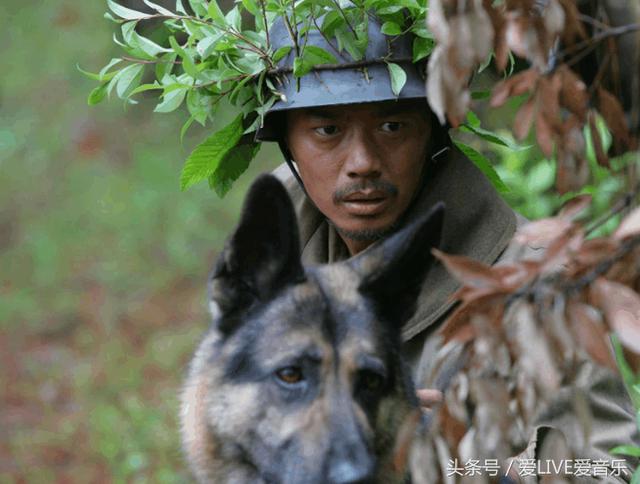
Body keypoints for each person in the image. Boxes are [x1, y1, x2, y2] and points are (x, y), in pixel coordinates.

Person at [254, 14, 639, 482]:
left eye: (393, 126)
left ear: (435, 135)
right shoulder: (273, 261)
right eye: (327, 131)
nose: (363, 163)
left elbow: (603, 469)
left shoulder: (536, 288)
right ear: (288, 143)